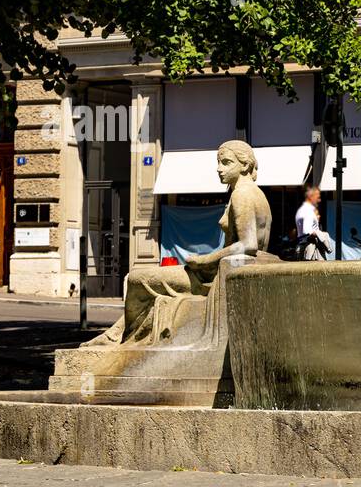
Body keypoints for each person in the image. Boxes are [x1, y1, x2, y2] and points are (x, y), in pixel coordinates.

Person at [90, 139, 274, 345]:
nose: (219, 169)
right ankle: (112, 336)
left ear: (245, 165)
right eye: (219, 162)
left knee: (137, 279)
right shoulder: (257, 195)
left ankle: (122, 342)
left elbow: (248, 244)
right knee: (150, 286)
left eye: (226, 162)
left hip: (210, 279)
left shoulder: (243, 194)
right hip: (221, 274)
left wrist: (204, 260)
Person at [295, 185, 334, 261]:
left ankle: (328, 246)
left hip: (313, 244)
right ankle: (328, 247)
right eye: (318, 197)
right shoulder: (307, 211)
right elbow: (308, 232)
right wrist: (319, 235)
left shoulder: (308, 210)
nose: (319, 200)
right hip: (309, 245)